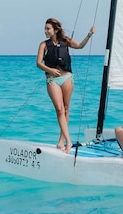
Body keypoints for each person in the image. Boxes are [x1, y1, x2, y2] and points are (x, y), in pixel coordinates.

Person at [36, 18, 94, 153]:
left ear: (55, 30)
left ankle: (61, 140)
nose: (45, 31)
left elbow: (80, 46)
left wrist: (89, 34)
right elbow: (38, 63)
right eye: (45, 29)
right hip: (53, 80)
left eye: (48, 29)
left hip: (67, 78)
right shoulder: (43, 45)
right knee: (60, 110)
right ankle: (69, 141)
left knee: (66, 108)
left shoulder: (65, 41)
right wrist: (50, 70)